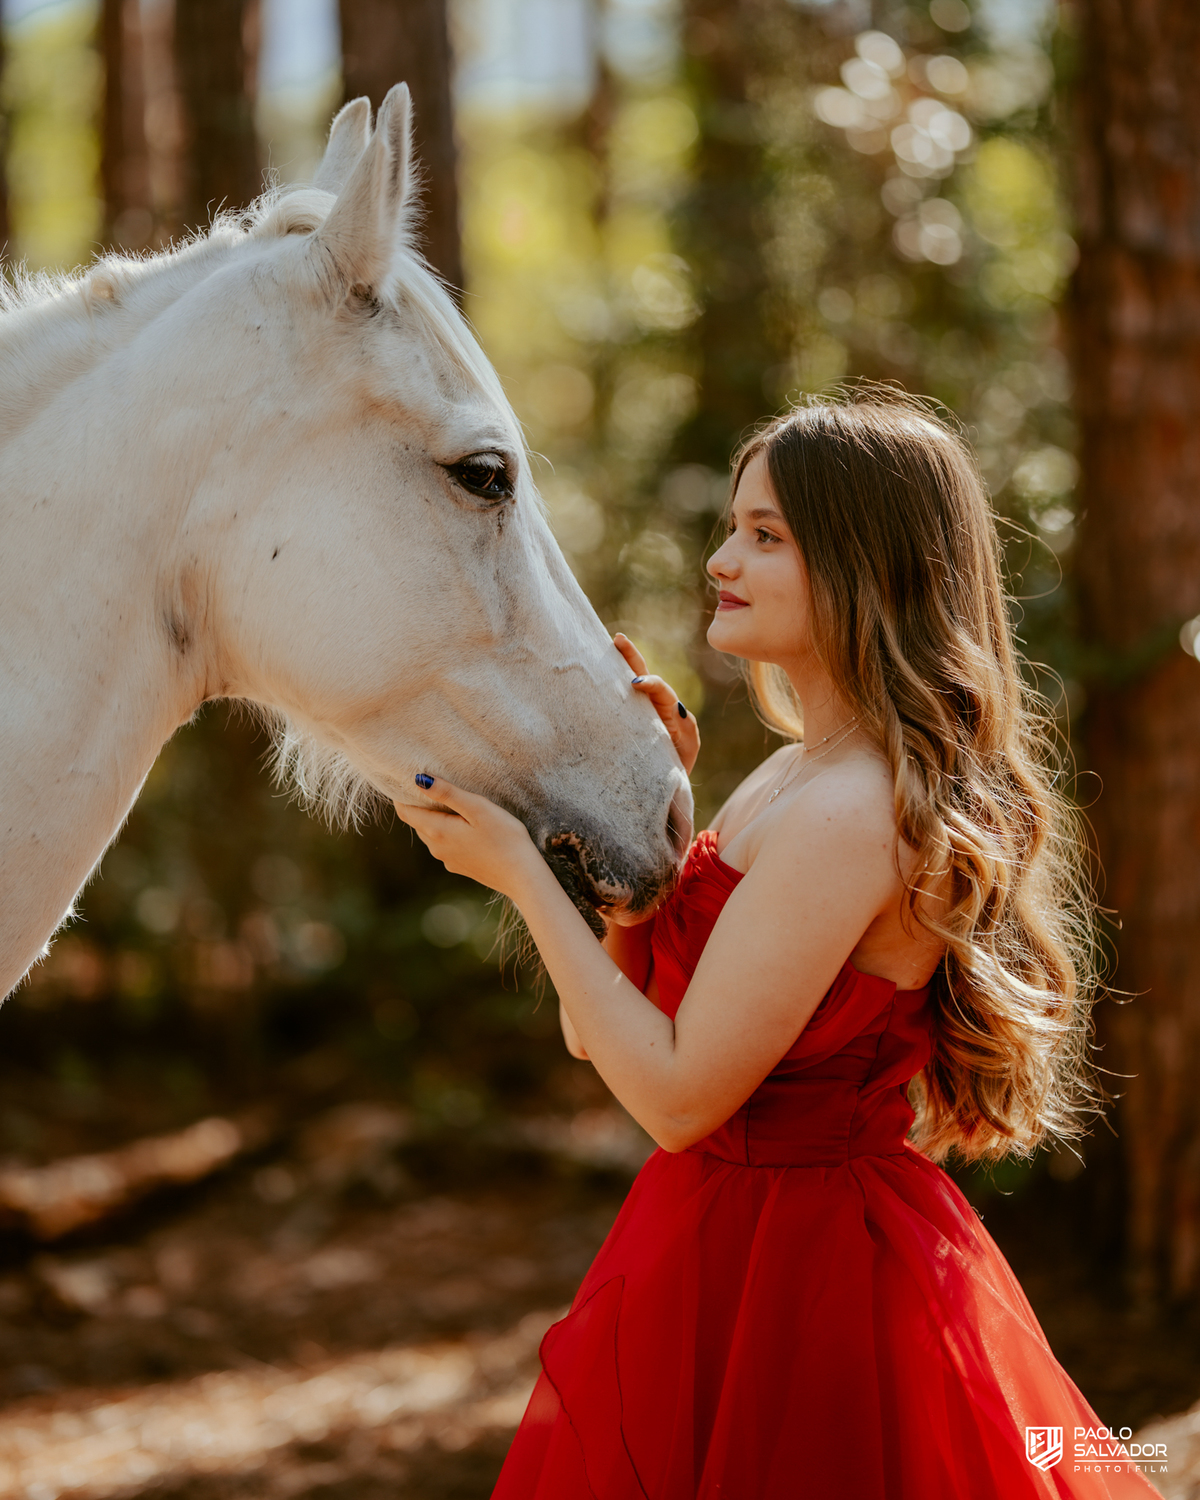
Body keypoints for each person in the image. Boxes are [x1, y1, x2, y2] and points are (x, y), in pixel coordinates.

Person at [395, 395, 1158, 1498]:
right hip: (715, 1245)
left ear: (867, 566)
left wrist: (520, 873)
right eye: (733, 528)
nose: (720, 561)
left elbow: (675, 1098)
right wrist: (635, 863)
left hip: (814, 1281)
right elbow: (593, 1035)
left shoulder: (853, 811)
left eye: (765, 537)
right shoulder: (791, 774)